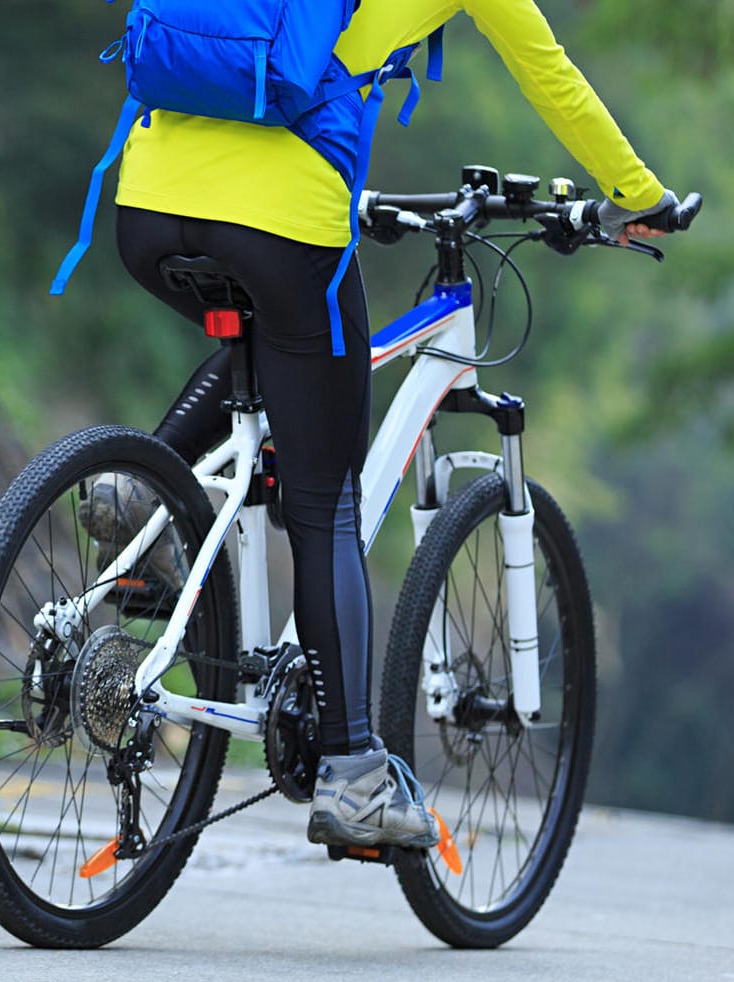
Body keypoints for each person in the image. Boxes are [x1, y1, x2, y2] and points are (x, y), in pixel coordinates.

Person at [92, 0, 676, 850]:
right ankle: (353, 770)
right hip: (281, 217)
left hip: (144, 204)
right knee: (325, 502)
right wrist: (636, 196)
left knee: (270, 336)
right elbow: (551, 74)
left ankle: (138, 490)